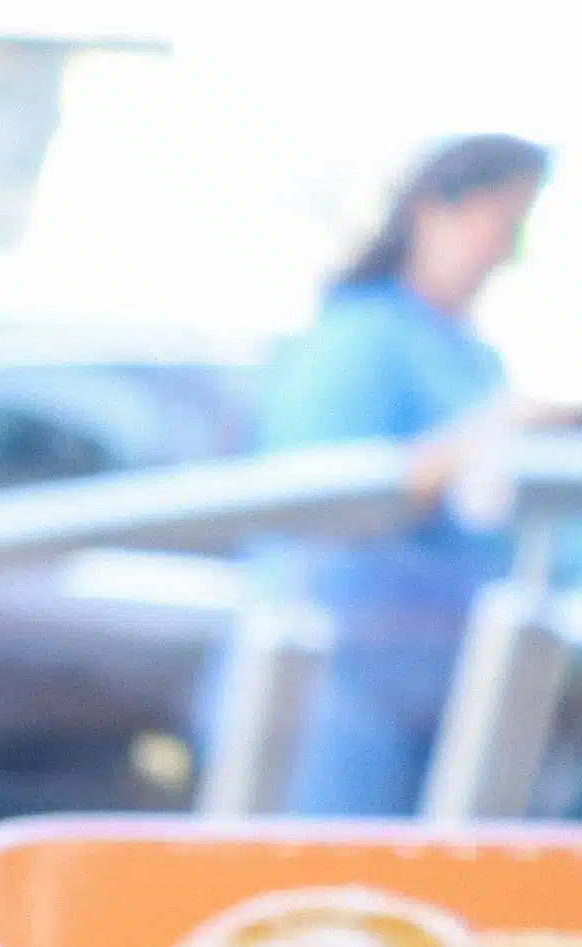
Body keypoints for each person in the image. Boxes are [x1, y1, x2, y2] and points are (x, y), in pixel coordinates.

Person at [238, 135, 555, 814]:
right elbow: (316, 492)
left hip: (437, 687)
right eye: (501, 218)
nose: (507, 248)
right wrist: (508, 425)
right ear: (432, 210)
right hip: (335, 692)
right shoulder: (358, 338)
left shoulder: (472, 357)